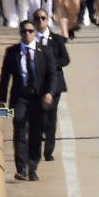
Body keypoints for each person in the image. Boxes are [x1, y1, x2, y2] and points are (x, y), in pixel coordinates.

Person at [0, 19, 57, 181]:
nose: (27, 34)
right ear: (20, 33)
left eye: (30, 31)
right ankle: (21, 168)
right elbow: (5, 77)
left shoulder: (44, 51)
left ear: (35, 33)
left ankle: (33, 166)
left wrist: (49, 93)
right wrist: (2, 99)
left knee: (36, 133)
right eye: (24, 31)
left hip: (38, 98)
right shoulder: (12, 52)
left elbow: (52, 74)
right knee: (19, 129)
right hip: (20, 97)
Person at [33, 10, 69, 161]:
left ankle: (48, 151)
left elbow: (65, 59)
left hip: (54, 83)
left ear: (47, 20)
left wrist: (51, 64)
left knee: (51, 118)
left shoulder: (57, 39)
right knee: (38, 117)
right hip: (36, 84)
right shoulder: (31, 39)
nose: (40, 21)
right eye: (37, 18)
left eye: (43, 18)